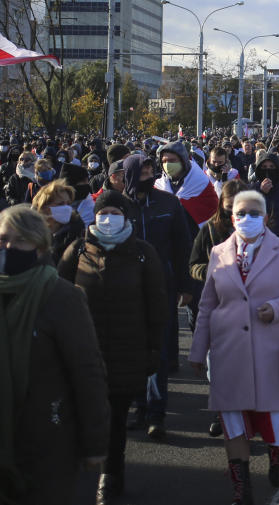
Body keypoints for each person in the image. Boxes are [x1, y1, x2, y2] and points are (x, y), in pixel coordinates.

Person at [188, 190, 279, 504]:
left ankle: (276, 451)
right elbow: (207, 306)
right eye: (241, 213)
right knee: (232, 420)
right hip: (228, 351)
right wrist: (198, 350)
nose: (248, 218)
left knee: (270, 415)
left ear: (267, 217)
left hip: (268, 350)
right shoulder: (219, 251)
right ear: (231, 218)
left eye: (255, 213)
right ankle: (241, 488)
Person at [57, 191, 167, 505]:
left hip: (126, 351)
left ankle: (111, 475)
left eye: (115, 213)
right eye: (103, 212)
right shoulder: (77, 250)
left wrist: (152, 350)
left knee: (116, 421)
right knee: (77, 415)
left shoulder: (143, 254)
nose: (108, 218)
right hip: (82, 351)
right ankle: (76, 474)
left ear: (126, 217)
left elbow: (156, 307)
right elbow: (57, 295)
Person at [0, 204, 110, 505]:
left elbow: (87, 372)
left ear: (40, 246)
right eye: (2, 240)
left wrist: (95, 444)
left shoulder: (62, 296)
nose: (9, 247)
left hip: (47, 444)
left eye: (20, 240)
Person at [122, 154, 193, 439]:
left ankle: (156, 413)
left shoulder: (168, 202)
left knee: (159, 351)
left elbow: (182, 246)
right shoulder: (119, 207)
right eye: (143, 171)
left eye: (152, 170)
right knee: (131, 352)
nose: (149, 175)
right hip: (126, 289)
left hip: (161, 287)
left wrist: (186, 286)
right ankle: (138, 407)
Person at [188, 179, 244, 438]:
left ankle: (243, 418)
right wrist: (211, 270)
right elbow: (194, 264)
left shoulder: (258, 230)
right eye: (229, 207)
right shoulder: (209, 230)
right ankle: (222, 414)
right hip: (218, 307)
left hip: (249, 311)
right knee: (217, 366)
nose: (234, 213)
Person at [154, 139, 219, 235]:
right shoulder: (159, 185)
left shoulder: (200, 183)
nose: (167, 165)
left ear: (183, 160)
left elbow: (213, 215)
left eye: (172, 160)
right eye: (164, 161)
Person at [31, 179, 85, 264]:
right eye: (60, 204)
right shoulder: (33, 234)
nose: (66, 208)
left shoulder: (77, 233)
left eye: (68, 203)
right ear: (44, 207)